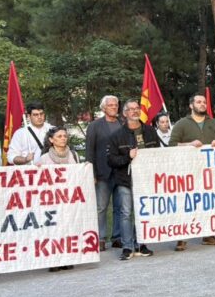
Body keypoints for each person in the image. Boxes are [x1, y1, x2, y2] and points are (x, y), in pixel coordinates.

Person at [168, 92, 215, 250]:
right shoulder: (181, 124)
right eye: (199, 102)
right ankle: (181, 237)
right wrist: (189, 145)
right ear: (191, 105)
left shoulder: (213, 123)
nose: (202, 104)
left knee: (208, 202)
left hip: (209, 172)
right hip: (188, 172)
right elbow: (171, 145)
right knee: (186, 203)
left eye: (204, 102)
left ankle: (208, 234)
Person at [106, 100, 157, 260]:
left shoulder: (150, 131)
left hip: (146, 180)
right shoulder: (117, 136)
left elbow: (158, 154)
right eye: (131, 109)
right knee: (126, 213)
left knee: (143, 212)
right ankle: (127, 247)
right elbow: (111, 160)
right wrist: (127, 157)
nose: (134, 111)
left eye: (137, 108)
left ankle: (142, 244)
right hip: (125, 180)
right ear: (125, 113)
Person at [35, 127, 81, 272]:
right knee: (53, 230)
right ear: (51, 140)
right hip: (51, 201)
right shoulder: (43, 159)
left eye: (65, 136)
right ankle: (54, 259)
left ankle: (68, 257)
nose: (63, 138)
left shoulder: (74, 155)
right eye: (59, 136)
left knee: (68, 228)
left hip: (69, 199)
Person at [85, 95, 124, 250]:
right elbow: (89, 150)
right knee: (101, 207)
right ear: (103, 108)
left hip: (121, 172)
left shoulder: (123, 123)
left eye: (116, 105)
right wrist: (91, 173)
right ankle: (100, 238)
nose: (114, 107)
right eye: (111, 105)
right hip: (102, 173)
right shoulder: (95, 126)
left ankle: (117, 236)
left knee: (119, 207)